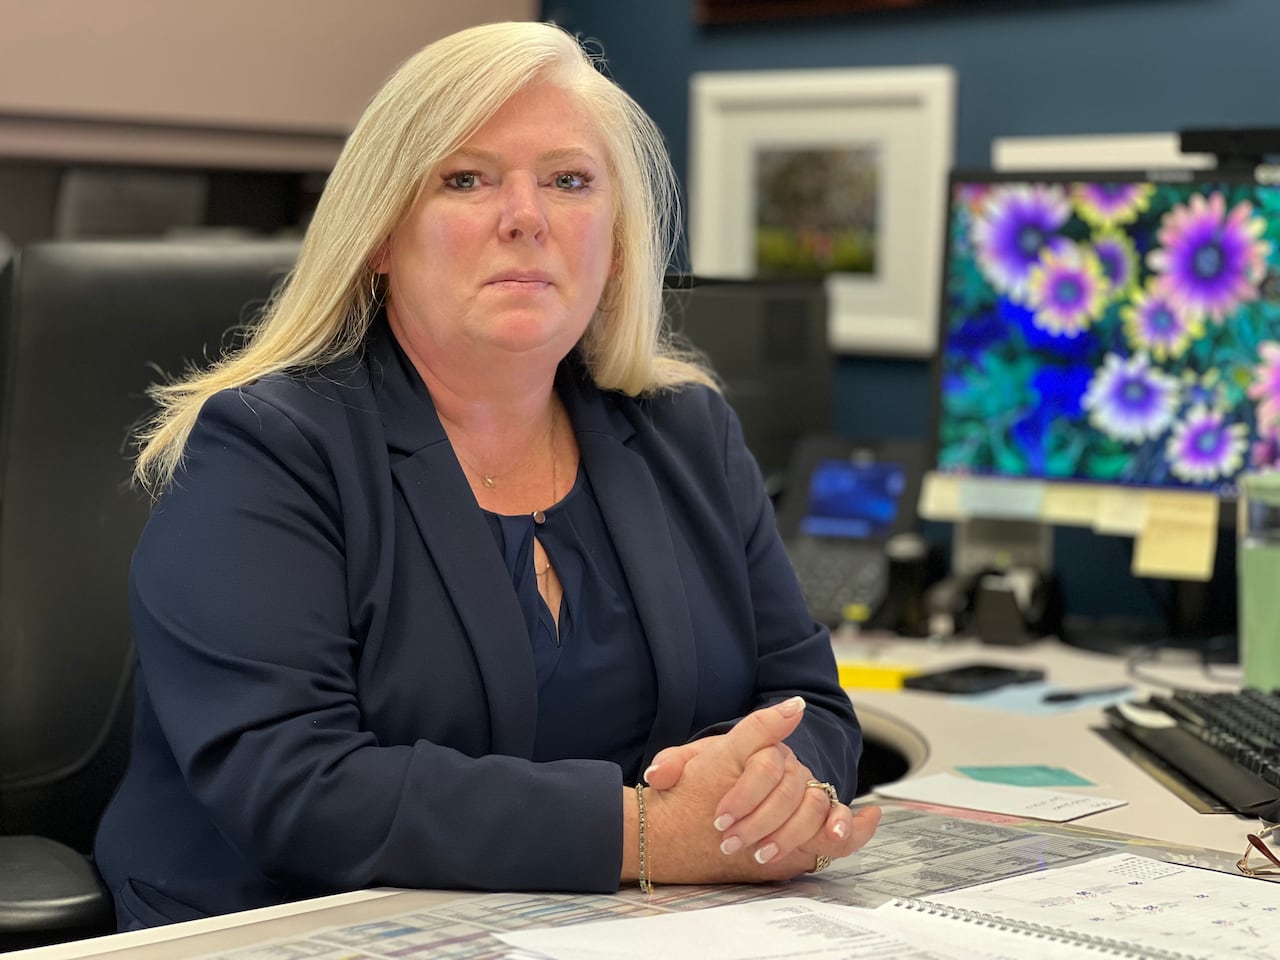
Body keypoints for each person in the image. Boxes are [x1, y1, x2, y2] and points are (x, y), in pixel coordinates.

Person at [93, 20, 882, 930]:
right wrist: (650, 835)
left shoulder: (686, 432)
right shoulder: (270, 446)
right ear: (381, 236)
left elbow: (808, 705)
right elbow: (294, 780)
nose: (525, 215)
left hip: (614, 933)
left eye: (569, 180)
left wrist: (770, 792)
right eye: (465, 179)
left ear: (618, 242)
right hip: (292, 929)